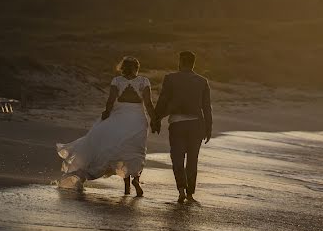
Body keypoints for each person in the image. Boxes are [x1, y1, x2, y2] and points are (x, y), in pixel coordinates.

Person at [56, 56, 156, 196]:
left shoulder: (117, 81)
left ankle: (126, 188)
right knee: (135, 151)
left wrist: (106, 114)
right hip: (137, 119)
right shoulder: (144, 81)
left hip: (119, 117)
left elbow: (111, 100)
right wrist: (155, 120)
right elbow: (148, 104)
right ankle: (135, 181)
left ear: (123, 68)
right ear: (137, 68)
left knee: (118, 149)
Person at [152, 51, 212, 203]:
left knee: (177, 158)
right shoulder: (202, 81)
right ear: (193, 63)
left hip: (177, 125)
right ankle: (190, 193)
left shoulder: (170, 79)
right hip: (196, 125)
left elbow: (163, 100)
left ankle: (181, 191)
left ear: (180, 62)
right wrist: (208, 128)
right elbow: (207, 107)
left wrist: (156, 119)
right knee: (192, 160)